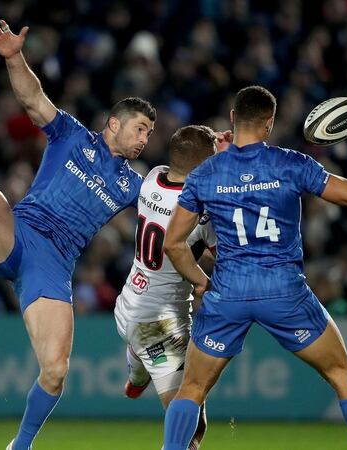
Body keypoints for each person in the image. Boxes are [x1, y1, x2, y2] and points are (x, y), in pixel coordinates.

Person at [161, 86, 347, 450]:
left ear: (233, 119)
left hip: (229, 292)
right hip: (284, 291)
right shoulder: (290, 164)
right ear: (269, 124)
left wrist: (201, 282)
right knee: (342, 374)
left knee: (191, 388)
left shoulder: (205, 175)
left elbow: (172, 243)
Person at [0, 20, 156, 450]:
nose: (144, 139)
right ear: (113, 124)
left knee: (56, 370)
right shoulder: (70, 135)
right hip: (18, 235)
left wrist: (219, 157)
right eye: (139, 128)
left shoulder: (132, 184)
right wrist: (14, 58)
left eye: (149, 133)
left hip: (52, 267)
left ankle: (19, 447)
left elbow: (176, 198)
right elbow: (31, 99)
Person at [114, 125, 223, 450]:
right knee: (191, 431)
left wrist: (208, 147)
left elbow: (189, 154)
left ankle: (137, 365)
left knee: (185, 416)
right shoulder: (201, 213)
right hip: (160, 323)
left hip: (127, 302)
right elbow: (223, 257)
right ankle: (141, 355)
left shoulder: (152, 178)